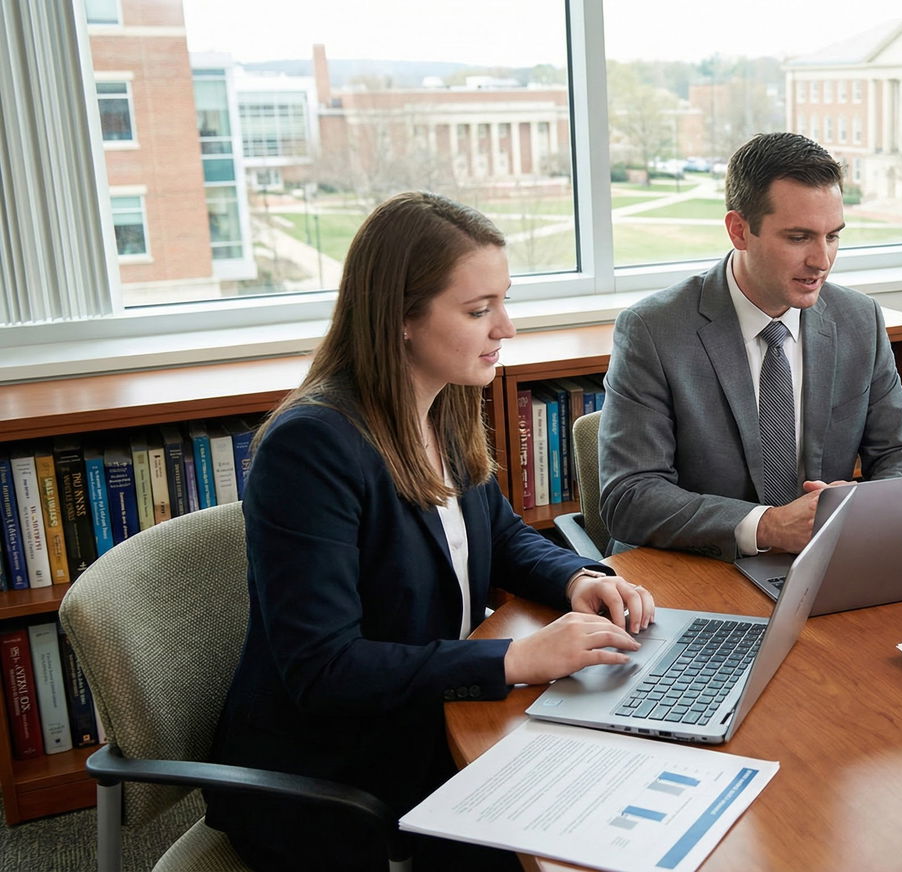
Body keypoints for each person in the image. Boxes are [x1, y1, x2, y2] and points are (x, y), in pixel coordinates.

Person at [205, 192, 656, 871]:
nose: (506, 327)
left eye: (503, 301)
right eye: (479, 310)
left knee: (625, 779)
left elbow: (500, 536)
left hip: (429, 719)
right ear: (402, 320)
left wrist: (576, 578)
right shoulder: (312, 449)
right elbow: (324, 670)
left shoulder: (439, 405)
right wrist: (515, 660)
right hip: (338, 777)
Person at [600, 132, 902, 561]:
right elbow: (629, 496)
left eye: (832, 236)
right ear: (739, 230)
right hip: (697, 569)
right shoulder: (653, 330)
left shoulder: (859, 320)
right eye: (799, 238)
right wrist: (769, 525)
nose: (822, 261)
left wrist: (864, 506)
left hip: (816, 566)